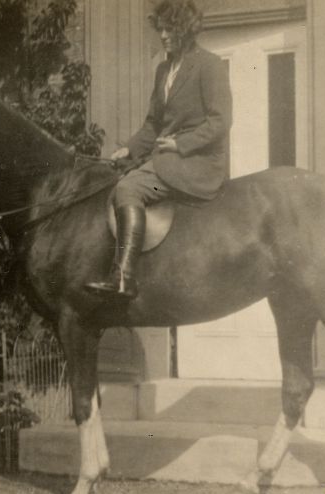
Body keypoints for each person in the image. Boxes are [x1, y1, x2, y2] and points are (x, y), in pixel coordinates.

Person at [86, 0, 231, 299]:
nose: (163, 35)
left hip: (196, 161)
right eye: (161, 29)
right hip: (169, 158)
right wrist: (127, 150)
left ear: (186, 30)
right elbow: (154, 124)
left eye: (170, 29)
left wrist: (181, 144)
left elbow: (220, 121)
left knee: (128, 189)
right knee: (120, 176)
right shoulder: (164, 69)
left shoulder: (209, 65)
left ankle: (124, 277)